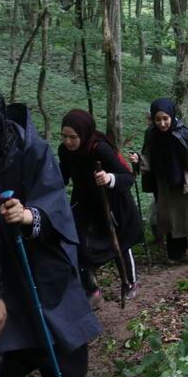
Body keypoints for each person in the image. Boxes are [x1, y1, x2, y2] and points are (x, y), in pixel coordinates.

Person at [0, 83, 101, 377]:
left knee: (62, 355)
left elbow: (56, 206)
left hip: (40, 264)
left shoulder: (31, 151)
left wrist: (28, 215)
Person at [58, 110, 143, 306]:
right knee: (79, 243)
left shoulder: (100, 149)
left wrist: (109, 178)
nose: (68, 142)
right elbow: (63, 176)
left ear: (84, 133)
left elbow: (128, 176)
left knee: (121, 243)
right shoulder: (65, 151)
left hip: (112, 202)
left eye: (73, 137)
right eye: (64, 137)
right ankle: (91, 289)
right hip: (86, 203)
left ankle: (130, 282)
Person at [130, 99, 188, 263]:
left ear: (171, 116)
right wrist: (138, 160)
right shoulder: (151, 134)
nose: (162, 123)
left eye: (165, 119)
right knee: (170, 218)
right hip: (164, 183)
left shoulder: (183, 133)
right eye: (158, 120)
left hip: (185, 182)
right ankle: (177, 251)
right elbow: (148, 157)